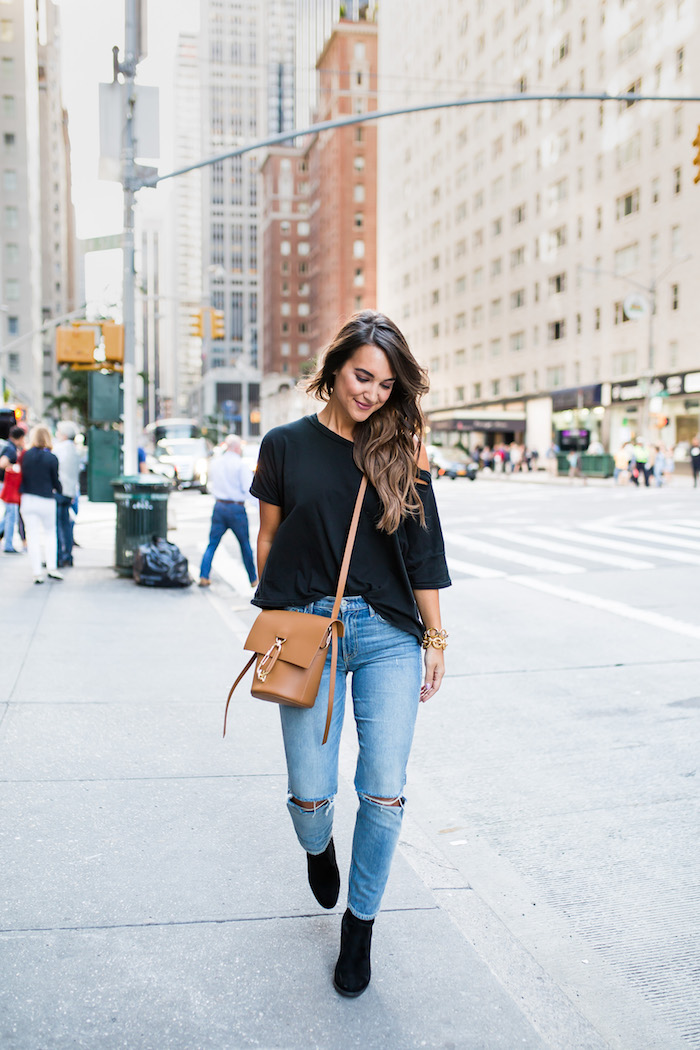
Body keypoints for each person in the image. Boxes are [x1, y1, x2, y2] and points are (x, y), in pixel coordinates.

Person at [250, 311, 451, 998]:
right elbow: (269, 541)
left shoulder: (401, 451)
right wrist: (272, 618)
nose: (371, 393)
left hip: (389, 634)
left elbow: (423, 556)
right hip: (305, 629)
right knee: (310, 793)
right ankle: (318, 844)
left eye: (386, 384)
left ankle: (360, 928)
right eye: (363, 376)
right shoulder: (282, 446)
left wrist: (436, 638)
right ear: (335, 369)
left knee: (385, 793)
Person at [198, 434, 257, 588]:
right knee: (245, 545)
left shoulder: (216, 463)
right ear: (237, 448)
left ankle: (204, 576)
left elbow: (211, 484)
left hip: (219, 507)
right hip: (236, 508)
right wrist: (259, 507)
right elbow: (248, 489)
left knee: (212, 544)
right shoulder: (240, 465)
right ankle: (253, 579)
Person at [20, 425, 63, 584]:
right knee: (50, 533)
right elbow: (55, 481)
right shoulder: (52, 457)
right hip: (46, 499)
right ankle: (52, 567)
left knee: (32, 536)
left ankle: (37, 572)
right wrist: (61, 490)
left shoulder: (25, 455)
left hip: (28, 499)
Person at [53, 421, 82, 567]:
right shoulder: (75, 451)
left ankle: (58, 556)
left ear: (64, 434)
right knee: (66, 525)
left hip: (58, 491)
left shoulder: (59, 448)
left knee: (57, 525)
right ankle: (67, 556)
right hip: (70, 492)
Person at [0, 426, 26, 553]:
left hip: (6, 485)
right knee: (12, 515)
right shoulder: (10, 449)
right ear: (20, 438)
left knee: (9, 514)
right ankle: (8, 545)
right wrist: (15, 467)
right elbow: (2, 463)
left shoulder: (9, 446)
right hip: (7, 485)